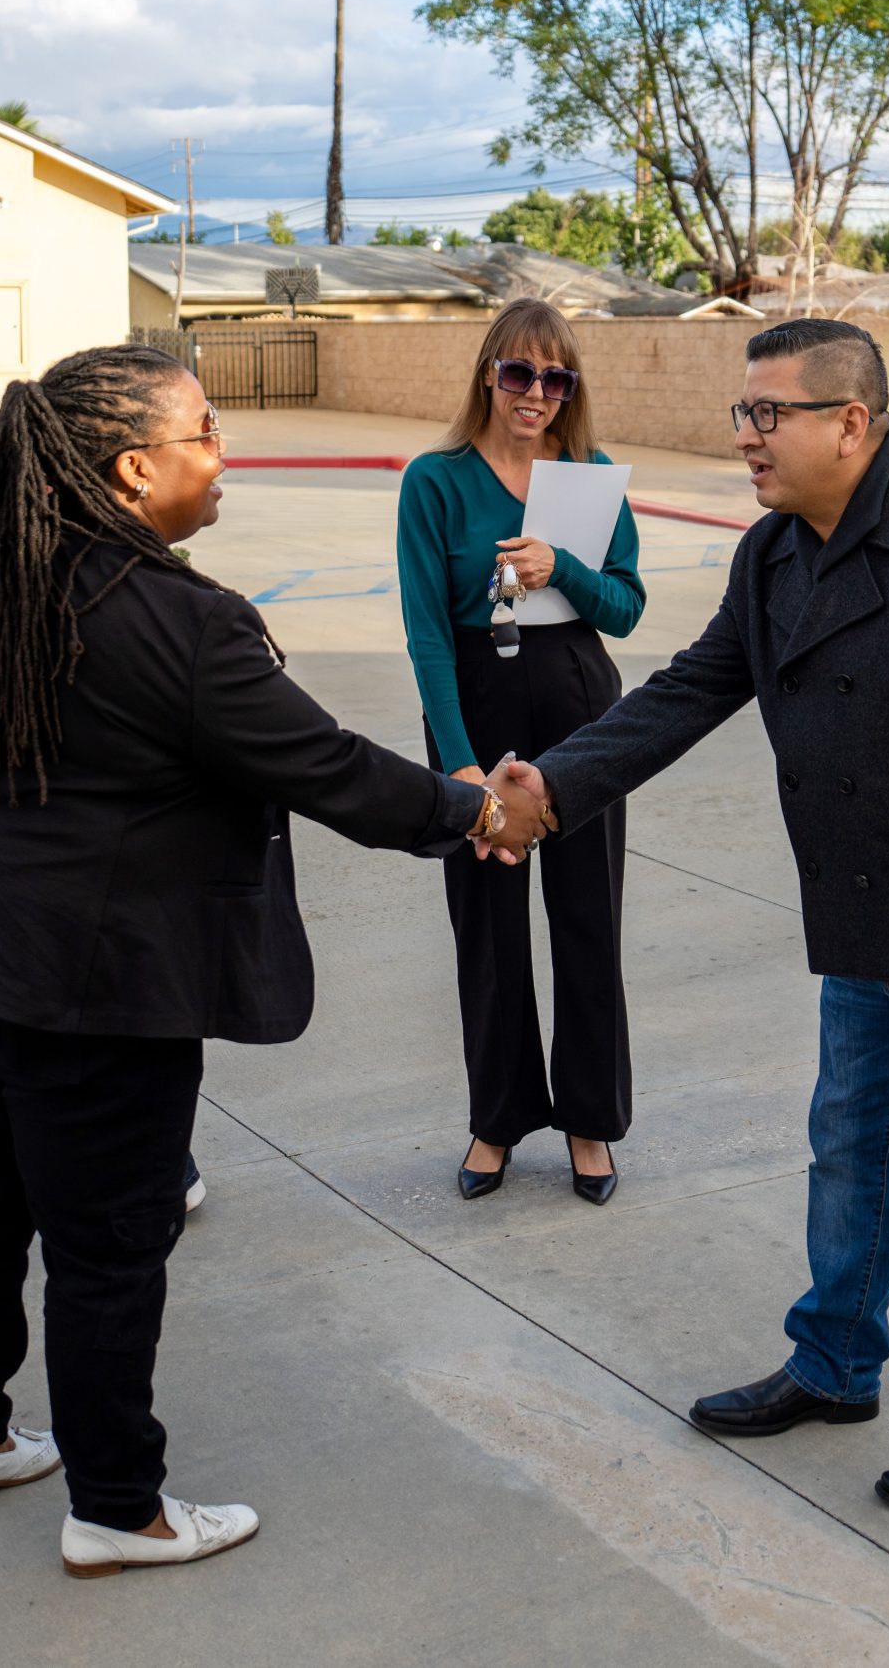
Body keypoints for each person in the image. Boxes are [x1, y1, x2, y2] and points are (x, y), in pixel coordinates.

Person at [0, 344, 551, 1576]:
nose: (224, 459)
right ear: (133, 469)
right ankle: (117, 1507)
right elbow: (323, 766)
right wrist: (474, 814)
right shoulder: (178, 621)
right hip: (87, 981)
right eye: (207, 435)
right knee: (108, 1244)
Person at [495, 317, 889, 1515]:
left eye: (769, 415)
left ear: (852, 423)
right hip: (862, 922)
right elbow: (687, 692)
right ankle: (835, 1363)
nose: (746, 439)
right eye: (744, 413)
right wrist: (555, 790)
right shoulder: (774, 556)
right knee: (851, 1164)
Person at [396, 299, 647, 1206]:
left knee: (589, 915)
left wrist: (561, 569)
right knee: (489, 927)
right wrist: (458, 765)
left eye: (554, 378)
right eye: (517, 373)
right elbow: (427, 633)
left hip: (580, 699)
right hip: (477, 697)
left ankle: (590, 1120)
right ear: (487, 375)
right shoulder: (436, 480)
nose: (534, 393)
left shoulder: (587, 482)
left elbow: (625, 608)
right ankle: (497, 1119)